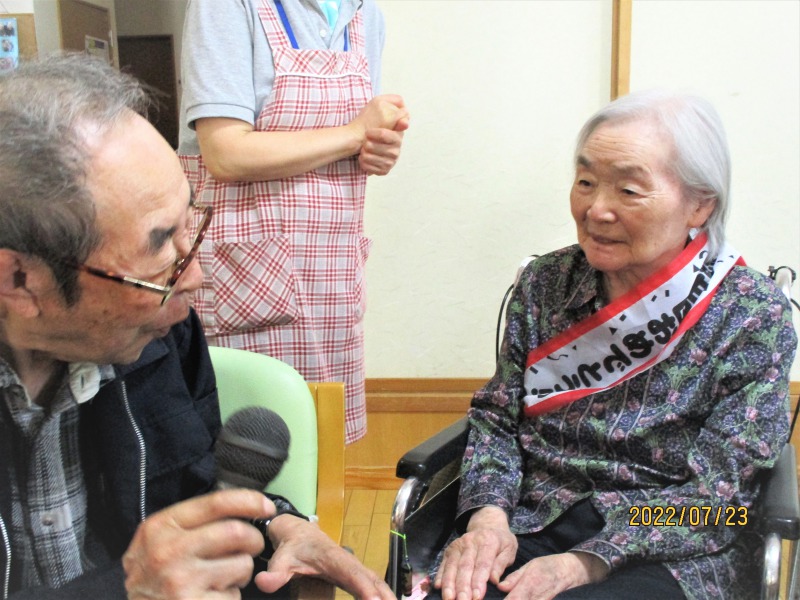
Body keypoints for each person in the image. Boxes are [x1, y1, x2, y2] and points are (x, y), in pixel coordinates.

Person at [0, 53, 394, 600]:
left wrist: (277, 526)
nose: (195, 278)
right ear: (20, 280)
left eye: (190, 223)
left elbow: (195, 490)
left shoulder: (159, 335)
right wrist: (122, 592)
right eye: (161, 248)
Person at [429, 90, 798, 600]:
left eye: (628, 190)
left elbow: (722, 499)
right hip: (535, 515)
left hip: (672, 543)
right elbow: (497, 419)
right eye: (585, 182)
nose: (596, 209)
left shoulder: (751, 314)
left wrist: (584, 563)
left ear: (700, 204)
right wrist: (488, 520)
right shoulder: (546, 283)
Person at [178, 0, 410, 444]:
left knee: (320, 449)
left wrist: (376, 150)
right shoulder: (226, 6)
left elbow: (356, 141)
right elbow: (225, 153)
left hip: (330, 279)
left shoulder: (364, 14)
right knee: (241, 450)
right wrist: (354, 134)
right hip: (244, 281)